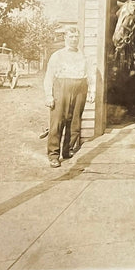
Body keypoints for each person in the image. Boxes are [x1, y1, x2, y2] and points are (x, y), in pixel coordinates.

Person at [44, 26, 95, 168]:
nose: (74, 40)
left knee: (75, 122)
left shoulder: (83, 56)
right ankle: (53, 155)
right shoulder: (57, 55)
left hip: (80, 88)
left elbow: (90, 75)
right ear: (65, 37)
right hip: (62, 87)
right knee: (58, 121)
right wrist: (49, 95)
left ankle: (67, 150)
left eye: (76, 37)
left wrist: (92, 91)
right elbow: (49, 76)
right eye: (71, 36)